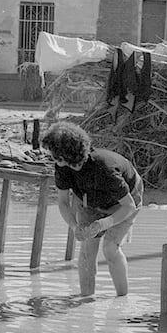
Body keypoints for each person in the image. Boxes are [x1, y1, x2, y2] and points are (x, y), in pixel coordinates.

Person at [41, 121, 143, 297]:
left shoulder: (104, 168)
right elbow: (64, 202)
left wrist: (104, 223)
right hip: (89, 199)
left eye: (53, 154)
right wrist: (75, 227)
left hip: (125, 201)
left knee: (110, 248)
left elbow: (128, 206)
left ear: (64, 155)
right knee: (87, 249)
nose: (51, 158)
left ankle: (122, 300)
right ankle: (85, 300)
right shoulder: (62, 167)